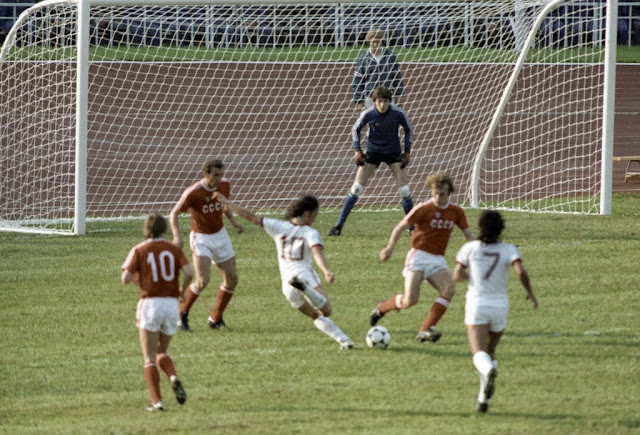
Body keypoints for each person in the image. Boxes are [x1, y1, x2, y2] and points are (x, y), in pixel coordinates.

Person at [214, 193, 354, 350]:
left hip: (287, 285)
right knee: (326, 310)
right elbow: (317, 253)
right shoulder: (310, 232)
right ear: (307, 213)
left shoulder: (278, 226)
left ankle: (344, 341)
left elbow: (250, 216)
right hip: (304, 276)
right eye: (314, 214)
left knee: (315, 316)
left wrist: (227, 202)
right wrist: (326, 271)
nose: (314, 218)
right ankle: (307, 290)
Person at [371, 172, 474, 342]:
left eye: (441, 194)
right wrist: (389, 248)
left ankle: (425, 329)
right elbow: (400, 227)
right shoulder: (424, 208)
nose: (437, 197)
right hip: (418, 257)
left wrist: (482, 250)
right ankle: (382, 307)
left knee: (449, 290)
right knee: (410, 300)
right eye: (434, 193)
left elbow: (469, 235)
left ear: (449, 193)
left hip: (437, 260)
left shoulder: (456, 212)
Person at [452, 210, 538, 413]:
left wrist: (473, 275)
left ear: (480, 227)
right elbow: (520, 271)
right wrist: (531, 293)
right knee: (490, 352)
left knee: (478, 353)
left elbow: (457, 275)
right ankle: (483, 400)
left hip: (477, 305)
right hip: (500, 307)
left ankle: (489, 370)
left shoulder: (470, 248)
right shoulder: (509, 249)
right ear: (501, 229)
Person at [121, 213, 194, 412]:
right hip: (171, 305)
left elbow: (125, 277)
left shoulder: (139, 249)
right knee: (162, 352)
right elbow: (189, 272)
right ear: (164, 229)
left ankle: (157, 402)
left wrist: (141, 280)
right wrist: (181, 290)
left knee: (149, 357)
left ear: (146, 229)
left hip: (150, 304)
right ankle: (173, 376)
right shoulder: (173, 249)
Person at [169, 159, 245, 331]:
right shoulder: (194, 192)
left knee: (232, 279)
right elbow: (173, 213)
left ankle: (215, 319)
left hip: (221, 236)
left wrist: (233, 222)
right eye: (215, 175)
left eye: (221, 175)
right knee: (203, 280)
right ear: (206, 173)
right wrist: (177, 237)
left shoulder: (224, 185)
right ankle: (181, 314)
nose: (219, 178)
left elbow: (225, 205)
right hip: (201, 238)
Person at [328, 85, 414, 236]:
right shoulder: (368, 114)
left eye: (386, 101)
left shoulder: (398, 113)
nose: (382, 105)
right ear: (374, 101)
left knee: (405, 191)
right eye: (379, 101)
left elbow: (409, 129)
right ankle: (338, 226)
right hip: (373, 153)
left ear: (390, 101)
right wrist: (357, 150)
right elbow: (355, 129)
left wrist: (407, 151)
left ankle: (413, 229)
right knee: (356, 189)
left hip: (393, 154)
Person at [351, 28, 405, 110]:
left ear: (382, 41)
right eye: (373, 42)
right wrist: (359, 101)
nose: (376, 44)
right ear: (369, 42)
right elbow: (357, 81)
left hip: (387, 98)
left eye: (378, 42)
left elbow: (397, 77)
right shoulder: (363, 58)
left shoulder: (390, 56)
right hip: (370, 98)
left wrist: (398, 96)